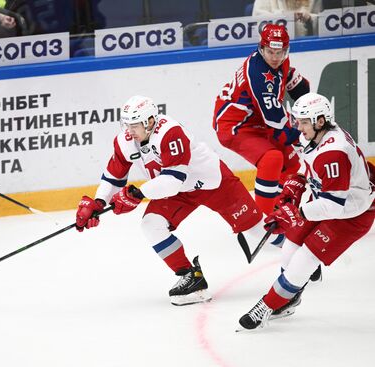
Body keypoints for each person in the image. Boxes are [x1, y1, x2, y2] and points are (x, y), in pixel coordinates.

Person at [75, 95, 280, 306]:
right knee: (151, 224)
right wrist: (99, 202)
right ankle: (192, 278)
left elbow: (173, 180)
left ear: (150, 122)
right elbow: (113, 177)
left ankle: (299, 252)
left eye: (134, 125)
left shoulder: (170, 132)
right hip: (177, 191)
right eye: (126, 124)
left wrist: (136, 194)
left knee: (258, 232)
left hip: (212, 183)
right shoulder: (124, 141)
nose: (129, 130)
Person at [238, 92, 375, 330]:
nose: (297, 127)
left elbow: (334, 205)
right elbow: (308, 167)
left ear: (320, 121)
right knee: (290, 247)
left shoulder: (334, 153)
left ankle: (268, 306)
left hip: (353, 212)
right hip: (330, 201)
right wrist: (292, 191)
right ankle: (290, 295)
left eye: (302, 121)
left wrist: (296, 213)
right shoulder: (316, 136)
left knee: (305, 258)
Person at [213, 24, 310, 223]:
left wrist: (306, 97)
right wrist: (304, 135)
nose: (275, 57)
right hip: (235, 126)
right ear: (261, 48)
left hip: (258, 120)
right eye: (270, 52)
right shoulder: (258, 75)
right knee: (272, 158)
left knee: (291, 163)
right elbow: (276, 122)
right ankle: (262, 220)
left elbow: (288, 77)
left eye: (280, 52)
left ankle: (283, 209)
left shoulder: (279, 60)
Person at [252, 0, 323, 37]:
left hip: (306, 47)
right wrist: (285, 17)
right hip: (275, 50)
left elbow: (322, 22)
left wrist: (310, 18)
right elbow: (256, 22)